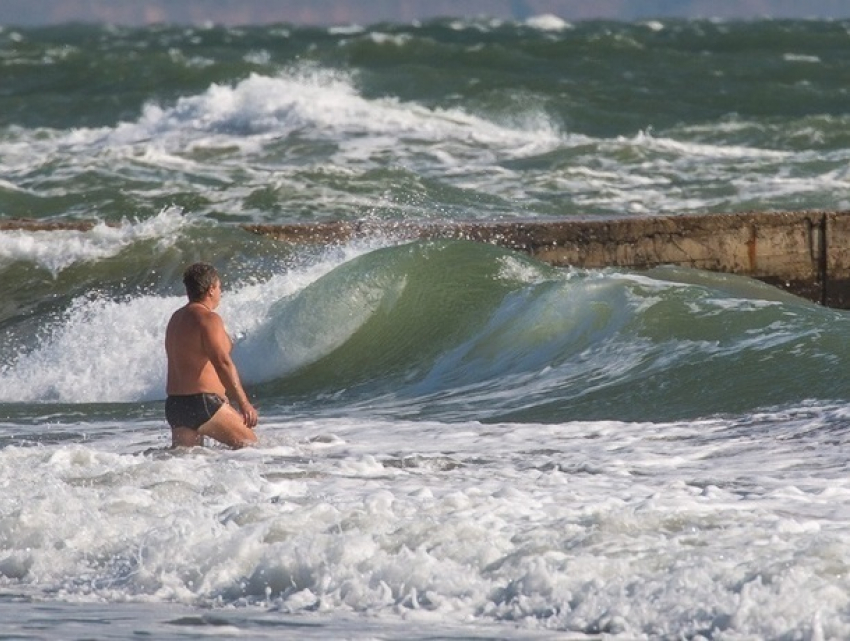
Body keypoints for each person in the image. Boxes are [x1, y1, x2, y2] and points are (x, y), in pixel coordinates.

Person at [164, 262, 258, 448]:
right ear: (211, 289)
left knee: (189, 466)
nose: (220, 292)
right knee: (254, 449)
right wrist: (244, 403)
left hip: (175, 405)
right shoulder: (209, 319)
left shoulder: (176, 318)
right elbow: (222, 362)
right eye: (220, 287)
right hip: (202, 404)